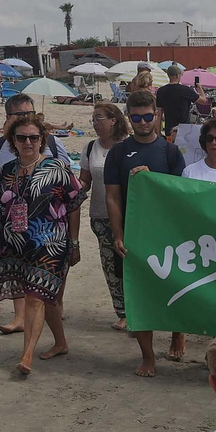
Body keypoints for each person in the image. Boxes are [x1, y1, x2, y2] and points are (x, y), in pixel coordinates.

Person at [0, 114, 84, 376]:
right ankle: (60, 342)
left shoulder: (59, 169)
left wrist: (74, 242)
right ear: (12, 142)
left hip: (51, 245)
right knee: (45, 297)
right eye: (21, 137)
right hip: (14, 244)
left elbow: (74, 206)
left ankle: (26, 355)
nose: (28, 142)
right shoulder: (6, 172)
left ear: (42, 140)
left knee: (36, 297)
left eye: (34, 137)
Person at [105, 90, 188, 376]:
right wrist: (118, 233)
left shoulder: (170, 151)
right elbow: (113, 198)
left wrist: (151, 176)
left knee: (174, 287)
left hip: (167, 233)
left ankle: (178, 331)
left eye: (148, 116)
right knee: (137, 296)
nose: (142, 122)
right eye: (137, 117)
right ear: (129, 117)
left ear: (158, 115)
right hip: (133, 233)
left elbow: (181, 195)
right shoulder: (117, 152)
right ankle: (148, 357)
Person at [0, 95, 72, 330]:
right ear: (10, 117)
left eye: (31, 113)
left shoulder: (51, 143)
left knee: (48, 271)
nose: (29, 119)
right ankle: (20, 317)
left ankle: (54, 305)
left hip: (48, 222)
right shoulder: (2, 144)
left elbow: (68, 180)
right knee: (15, 268)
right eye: (23, 115)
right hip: (12, 218)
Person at [79, 103, 130, 329]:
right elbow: (85, 182)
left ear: (114, 120)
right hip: (100, 214)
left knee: (130, 264)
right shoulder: (91, 148)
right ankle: (122, 311)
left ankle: (138, 309)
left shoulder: (129, 146)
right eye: (93, 119)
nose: (95, 123)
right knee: (110, 264)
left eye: (99, 118)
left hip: (129, 214)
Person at [156, 66, 198, 135]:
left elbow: (159, 115)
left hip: (169, 129)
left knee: (170, 145)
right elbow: (203, 100)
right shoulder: (185, 90)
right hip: (183, 129)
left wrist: (158, 133)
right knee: (182, 145)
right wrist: (199, 88)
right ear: (177, 75)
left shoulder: (161, 91)